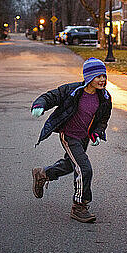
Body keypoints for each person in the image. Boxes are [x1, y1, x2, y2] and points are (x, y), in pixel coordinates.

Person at [30, 57, 112, 223]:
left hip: (84, 138)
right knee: (84, 169)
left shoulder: (104, 97)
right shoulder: (73, 90)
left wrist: (97, 133)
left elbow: (103, 119)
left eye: (104, 76)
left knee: (69, 164)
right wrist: (40, 105)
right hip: (69, 136)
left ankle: (43, 173)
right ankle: (79, 205)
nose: (102, 80)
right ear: (89, 77)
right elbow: (52, 96)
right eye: (98, 76)